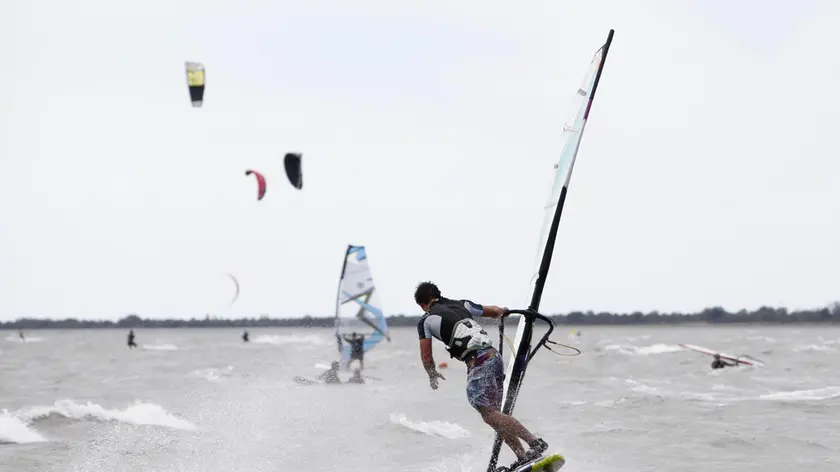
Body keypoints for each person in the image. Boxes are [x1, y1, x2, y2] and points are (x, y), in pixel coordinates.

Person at [414, 281, 548, 467]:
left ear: (422, 304)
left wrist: (432, 373)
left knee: (488, 413)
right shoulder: (462, 304)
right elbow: (494, 311)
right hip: (493, 356)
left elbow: (426, 355)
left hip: (479, 361)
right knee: (495, 415)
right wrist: (504, 310)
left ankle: (534, 442)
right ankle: (522, 457)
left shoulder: (425, 320)